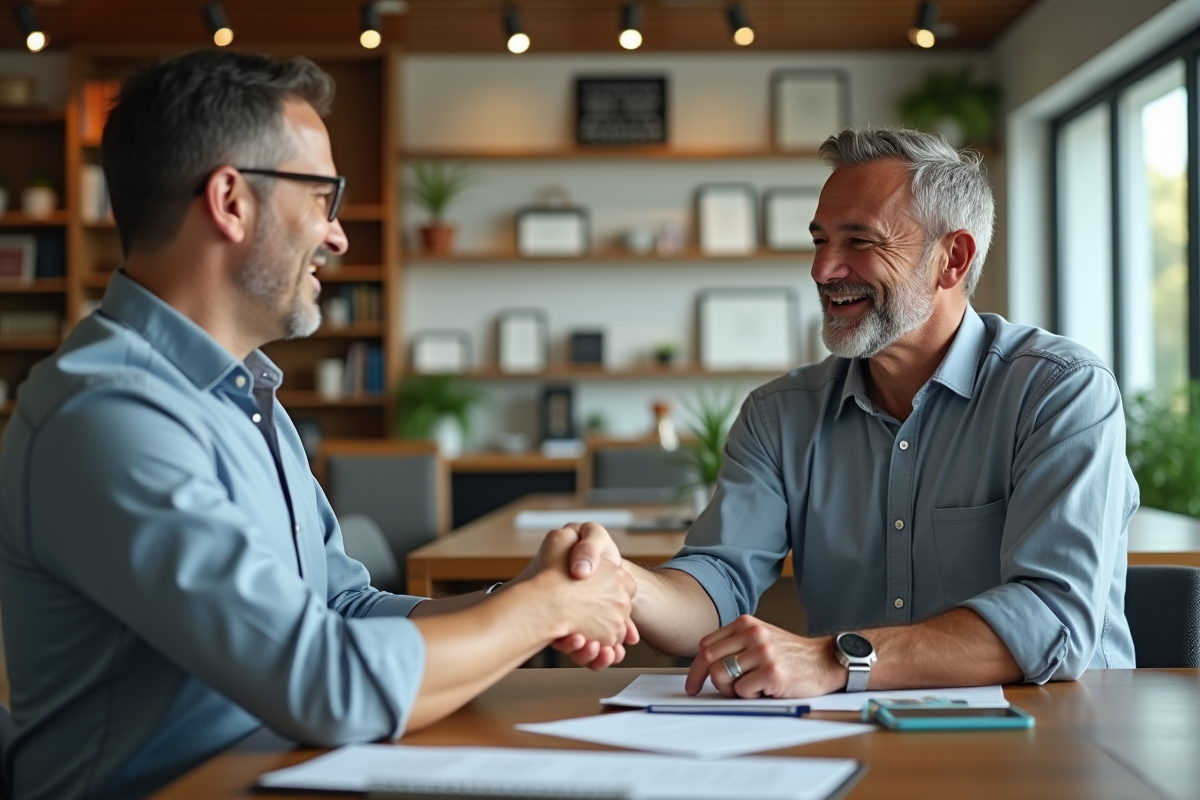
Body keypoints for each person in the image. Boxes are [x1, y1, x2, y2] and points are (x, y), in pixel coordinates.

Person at [0, 51, 636, 800]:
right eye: (322, 196)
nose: (337, 236)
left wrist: (518, 595)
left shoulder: (243, 394)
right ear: (230, 201)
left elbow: (344, 609)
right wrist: (542, 612)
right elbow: (327, 686)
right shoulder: (107, 417)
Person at [558, 126, 1137, 696]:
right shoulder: (778, 415)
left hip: (1059, 740)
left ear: (952, 260)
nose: (823, 270)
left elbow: (1053, 618)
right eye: (819, 241)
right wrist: (627, 584)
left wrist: (835, 659)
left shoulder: (1061, 393)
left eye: (859, 241)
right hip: (851, 739)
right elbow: (719, 582)